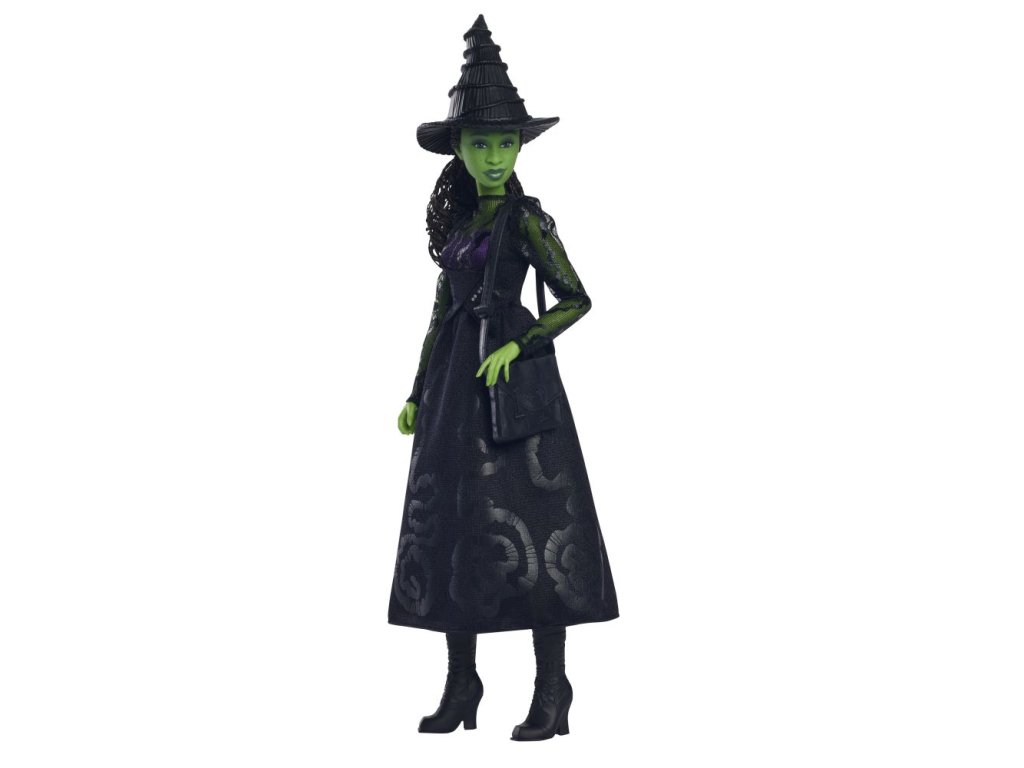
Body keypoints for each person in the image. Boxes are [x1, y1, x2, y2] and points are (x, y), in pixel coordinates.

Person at [388, 15, 619, 741]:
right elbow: (438, 313)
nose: (494, 156)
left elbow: (576, 298)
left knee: (539, 526)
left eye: (505, 143)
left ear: (519, 147)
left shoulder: (527, 222)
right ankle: (463, 681)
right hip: (454, 390)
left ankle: (552, 687)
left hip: (513, 393)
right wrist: (417, 391)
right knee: (455, 527)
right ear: (458, 148)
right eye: (480, 143)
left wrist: (520, 344)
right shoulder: (458, 230)